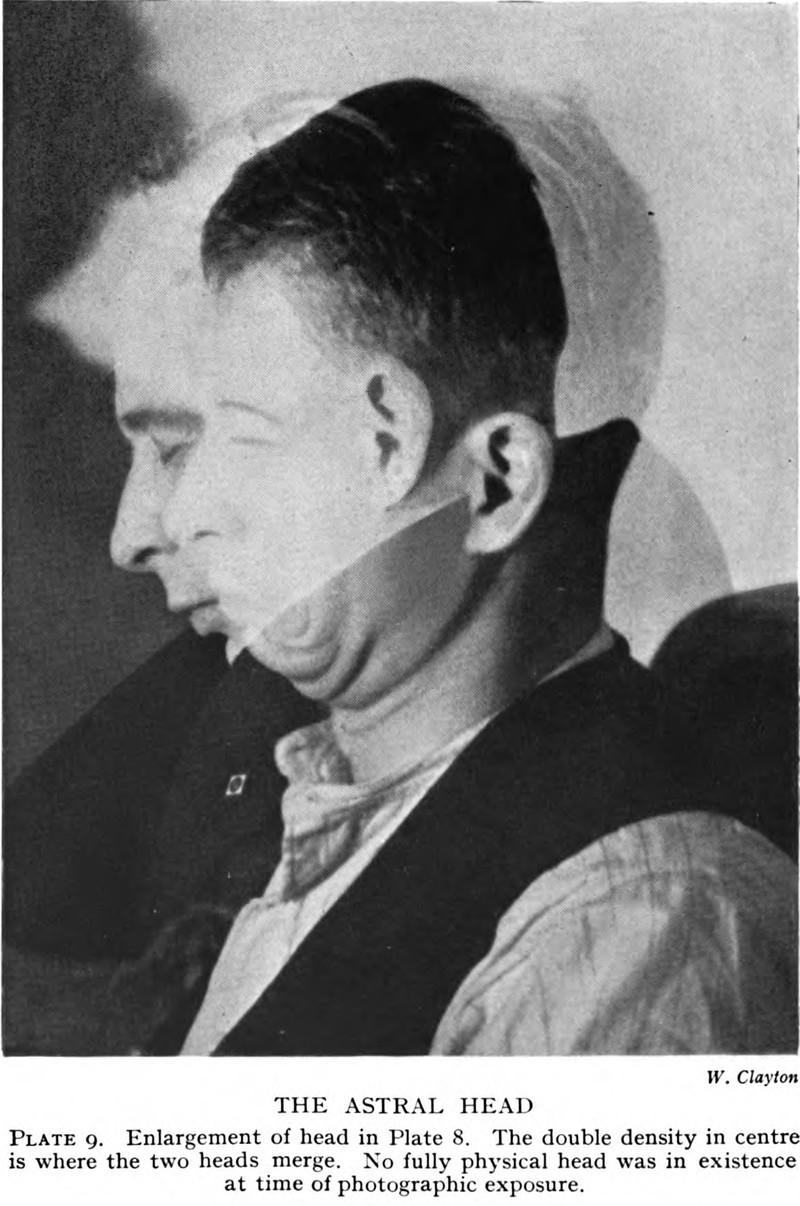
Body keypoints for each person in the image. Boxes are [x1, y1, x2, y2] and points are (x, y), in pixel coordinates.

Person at [6, 80, 796, 1055]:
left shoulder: (636, 928)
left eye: (203, 441)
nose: (134, 534)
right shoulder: (300, 800)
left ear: (495, 485)